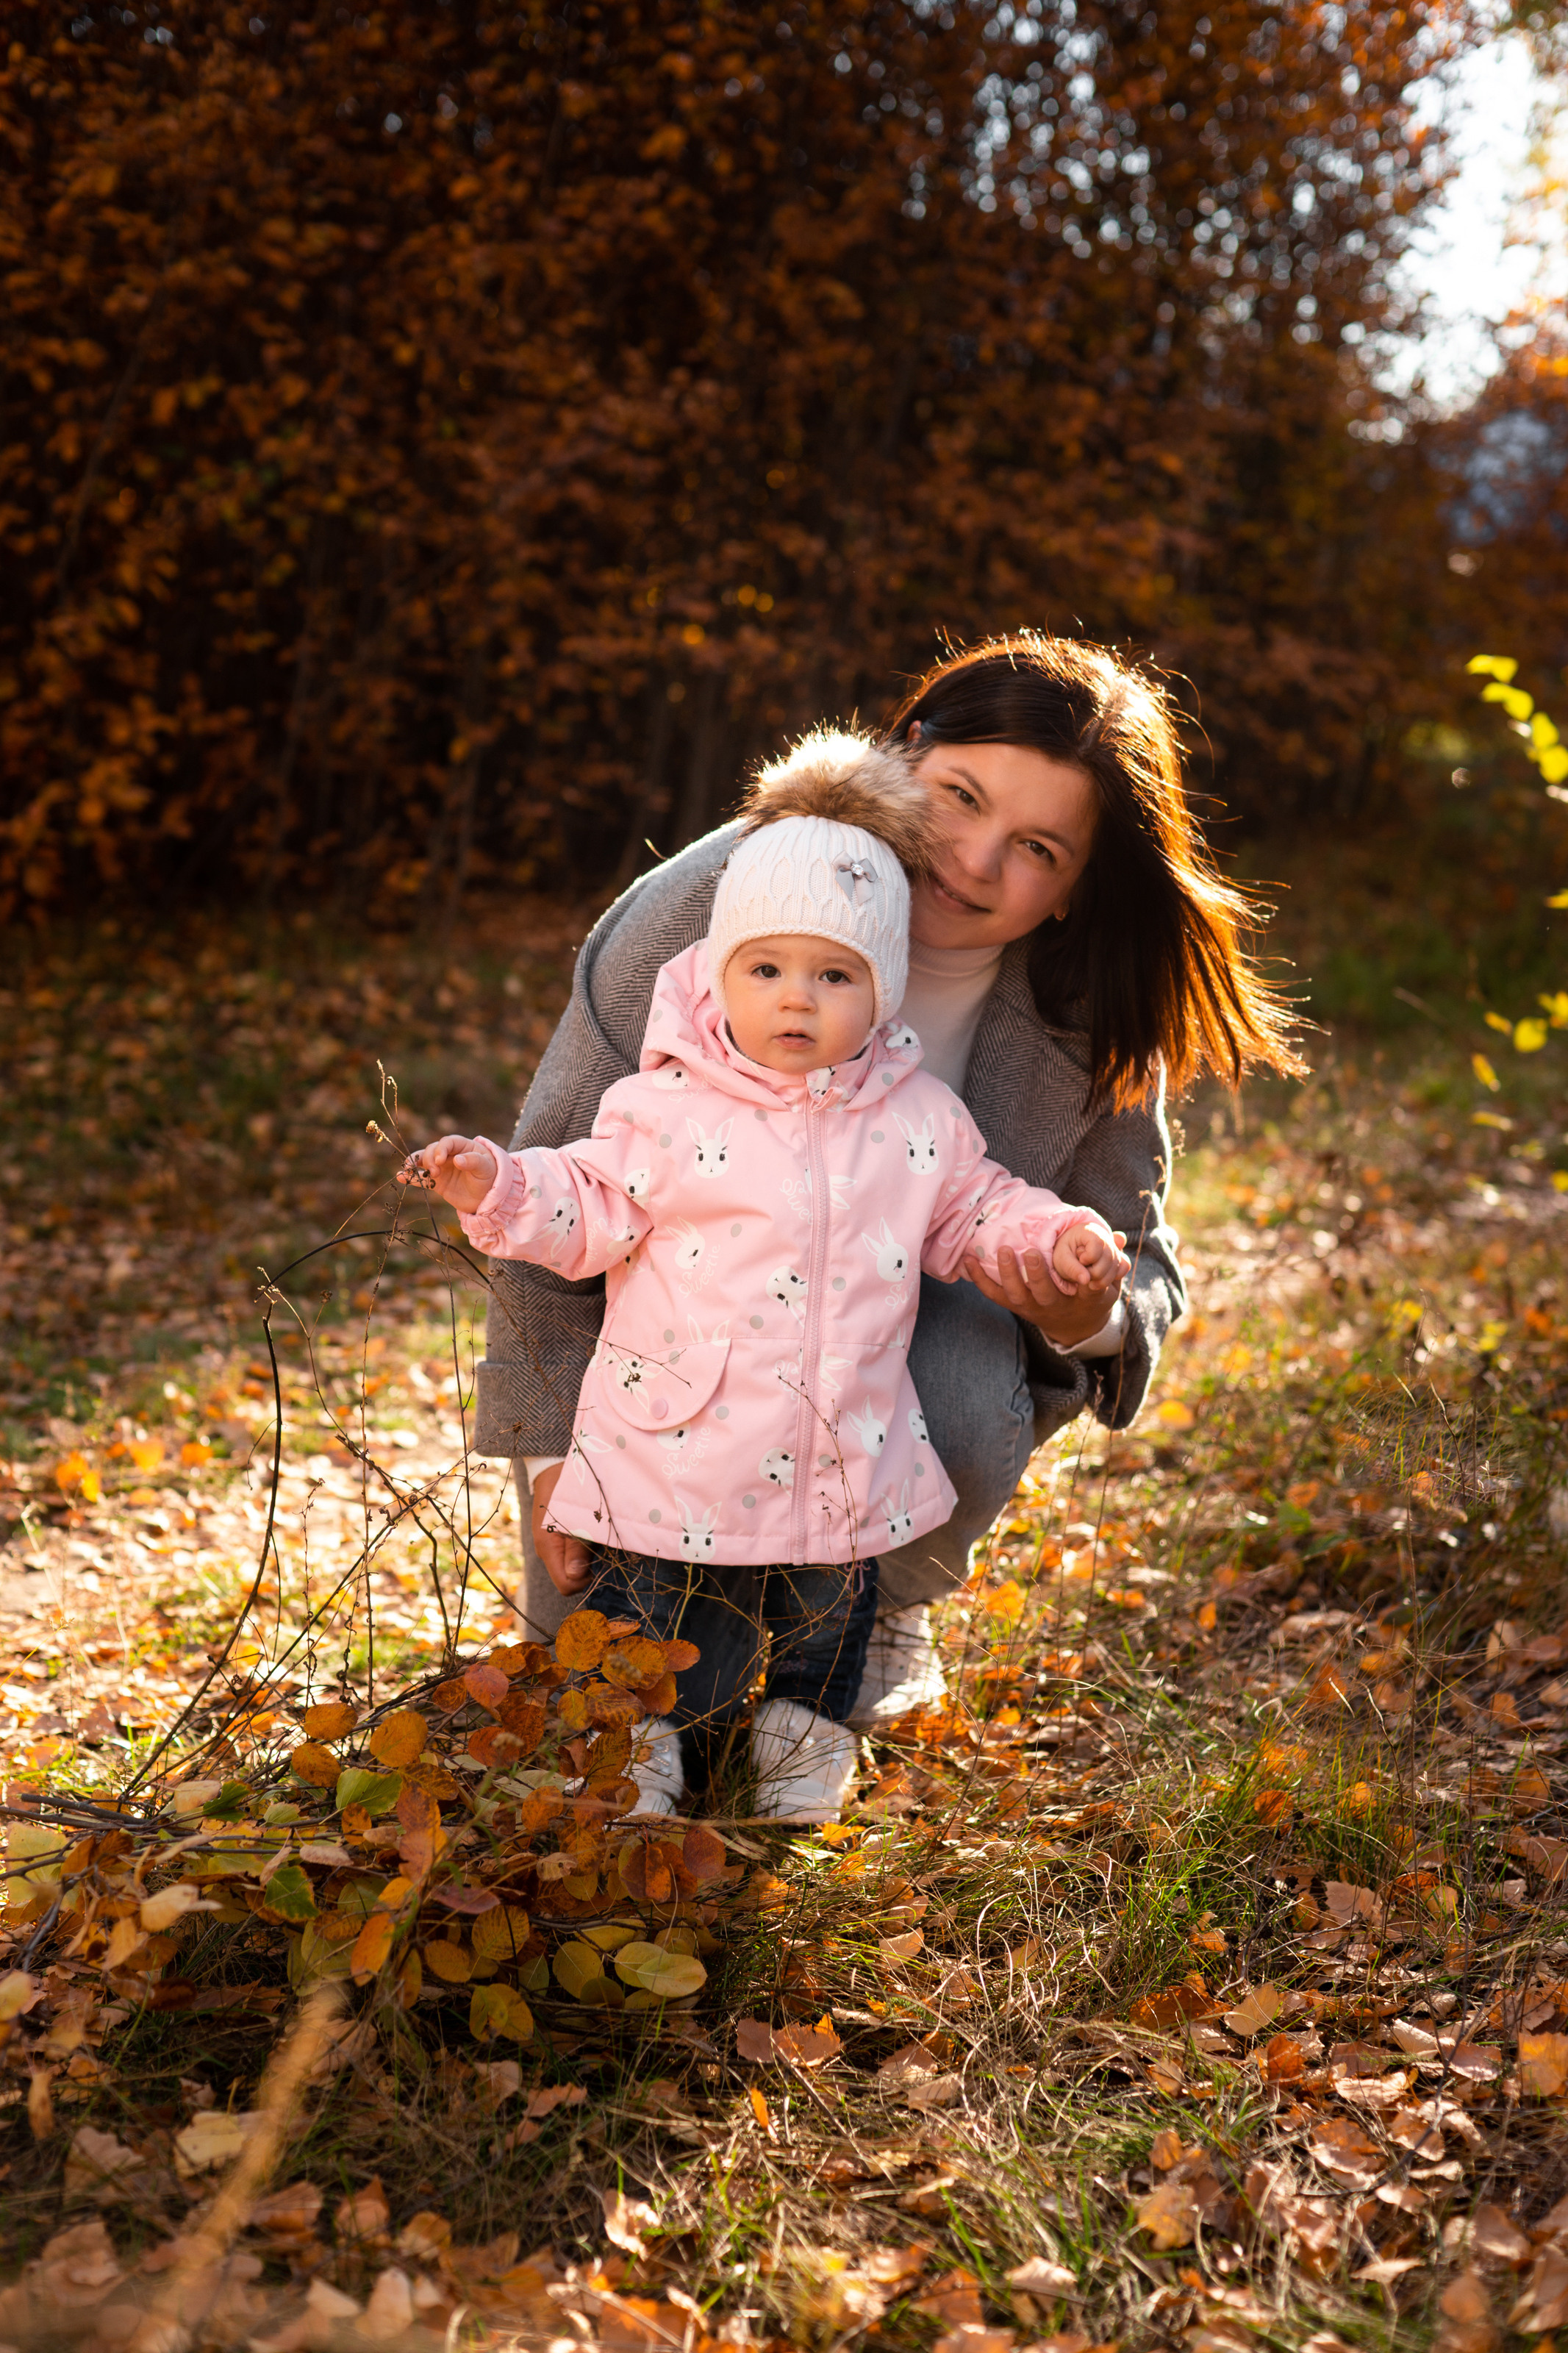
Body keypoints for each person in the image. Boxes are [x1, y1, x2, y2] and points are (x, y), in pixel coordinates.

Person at [473, 632, 1301, 1724]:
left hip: (895, 1363)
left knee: (956, 1374)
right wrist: (548, 1463)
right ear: (903, 754)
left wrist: (1085, 1313)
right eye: (958, 796)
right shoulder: (710, 906)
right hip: (663, 1354)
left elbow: (1132, 1256)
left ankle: (882, 1598)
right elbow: (550, 1182)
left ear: (1073, 891)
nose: (972, 860)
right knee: (606, 1703)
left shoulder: (1093, 1013)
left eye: (1038, 849)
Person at [404, 735, 1128, 1821]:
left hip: (841, 1437)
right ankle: (643, 1740)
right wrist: (493, 1185)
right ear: (714, 973)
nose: (796, 1000)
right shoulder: (664, 1106)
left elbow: (977, 1208)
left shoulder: (917, 1117)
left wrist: (1057, 1244)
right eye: (767, 971)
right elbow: (584, 1199)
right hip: (677, 1440)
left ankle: (803, 1733)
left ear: (878, 995)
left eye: (833, 977)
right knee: (655, 1612)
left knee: (828, 1608)